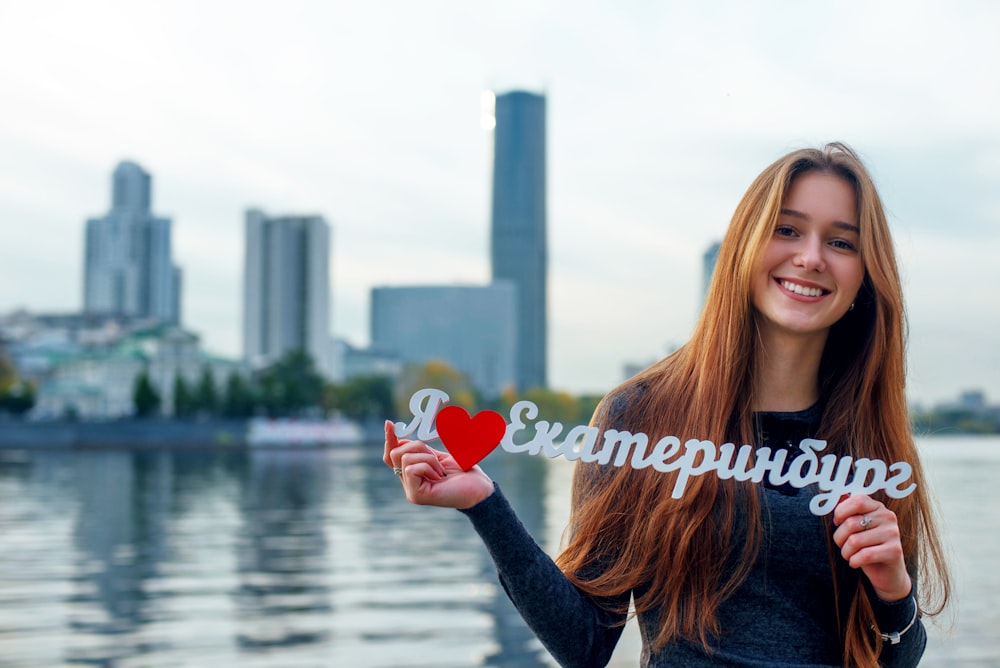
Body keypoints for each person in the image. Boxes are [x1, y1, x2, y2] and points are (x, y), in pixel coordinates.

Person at [383, 142, 951, 667]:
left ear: (864, 273)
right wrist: (485, 505)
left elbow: (895, 657)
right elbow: (584, 644)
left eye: (840, 241)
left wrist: (893, 588)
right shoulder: (641, 417)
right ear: (744, 248)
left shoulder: (869, 435)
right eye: (787, 229)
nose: (809, 257)